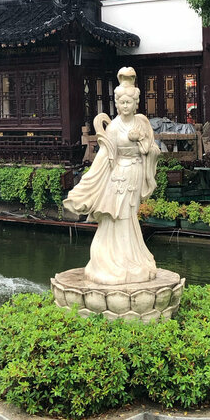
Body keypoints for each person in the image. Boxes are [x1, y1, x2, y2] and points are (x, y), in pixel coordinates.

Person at [63, 67, 159, 285]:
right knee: (115, 215)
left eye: (129, 103)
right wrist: (85, 184)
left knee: (129, 215)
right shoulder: (114, 128)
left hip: (135, 173)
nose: (125, 106)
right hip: (118, 176)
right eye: (121, 103)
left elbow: (153, 150)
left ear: (136, 104)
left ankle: (133, 259)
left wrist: (141, 142)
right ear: (117, 104)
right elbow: (104, 157)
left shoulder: (142, 122)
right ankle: (110, 261)